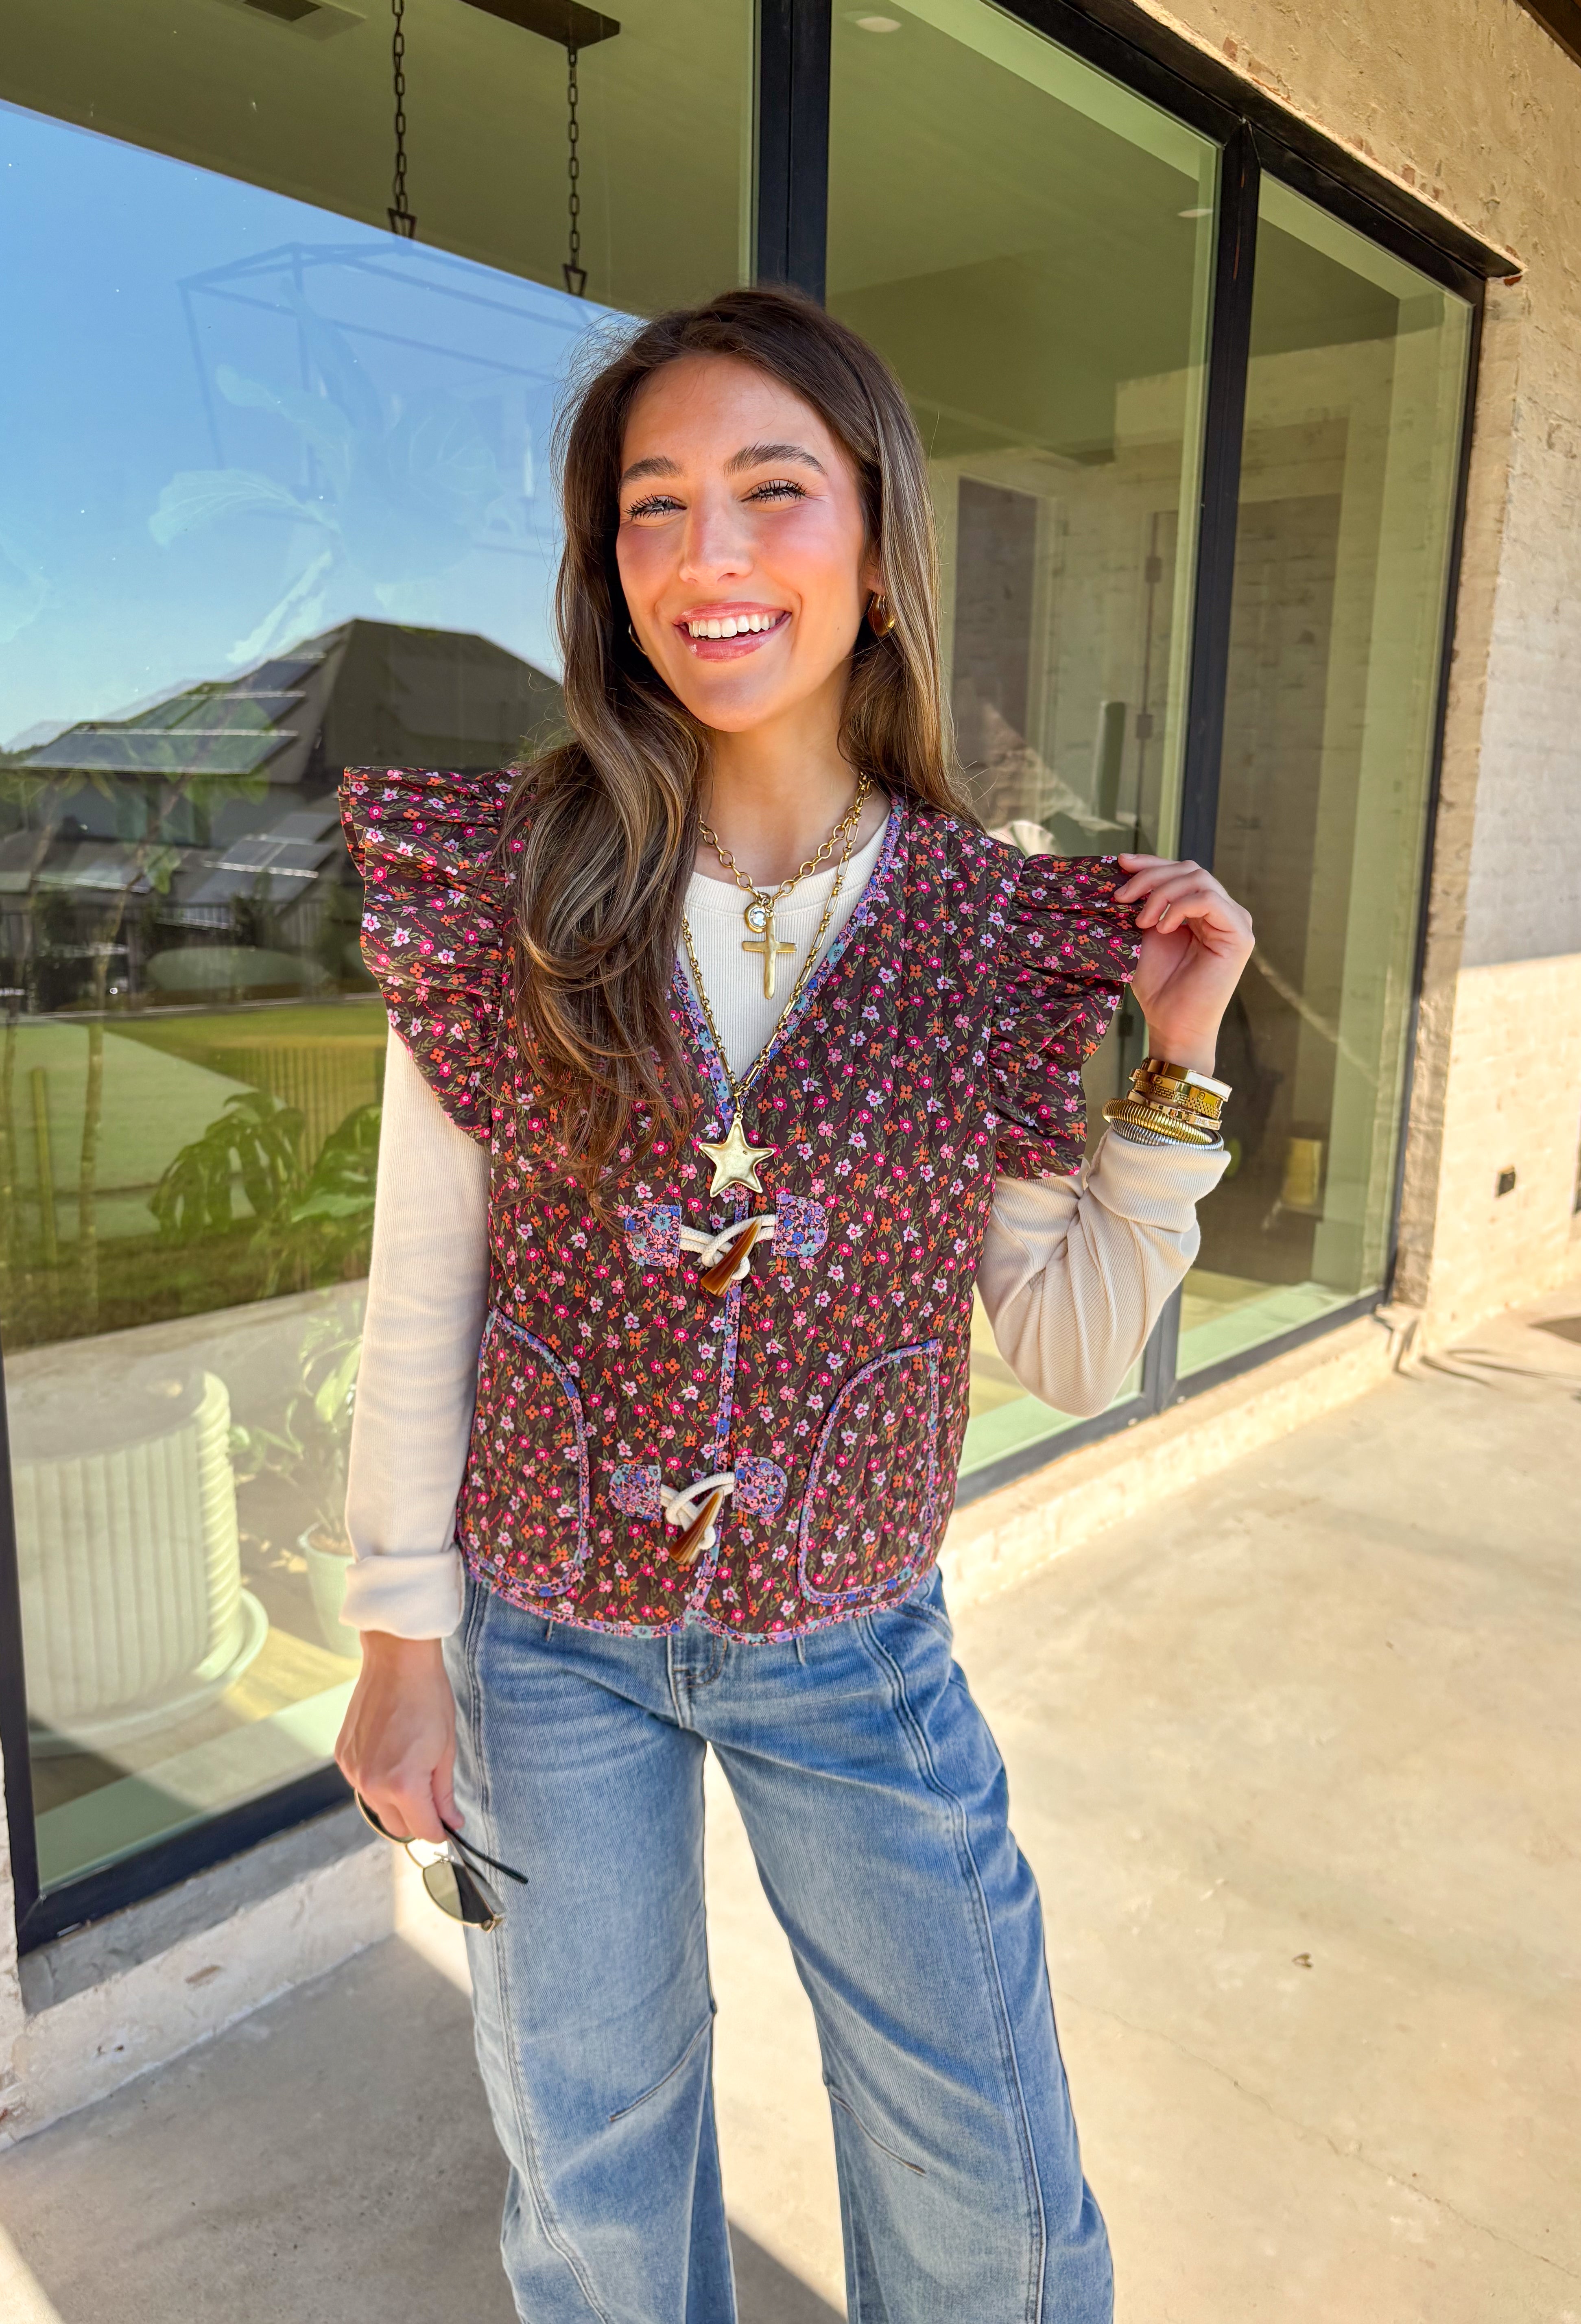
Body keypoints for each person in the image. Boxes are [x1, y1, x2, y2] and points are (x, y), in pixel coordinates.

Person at [334, 285, 1253, 2324]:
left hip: (855, 1642)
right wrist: (403, 1643)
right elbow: (428, 1302)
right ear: (608, 567)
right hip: (543, 1645)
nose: (709, 558)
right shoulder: (510, 886)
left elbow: (1072, 1342)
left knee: (982, 2150)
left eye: (772, 490)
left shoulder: (994, 925)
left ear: (875, 540)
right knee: (589, 2131)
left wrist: (1175, 1079)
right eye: (652, 509)